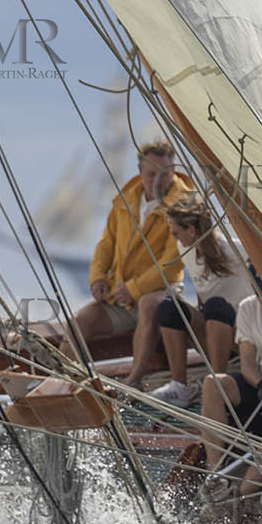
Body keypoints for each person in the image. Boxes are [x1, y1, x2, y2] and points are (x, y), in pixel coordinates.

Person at [69, 140, 189, 387]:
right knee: (81, 320)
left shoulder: (184, 205)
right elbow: (106, 244)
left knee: (147, 304)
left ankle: (135, 379)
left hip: (161, 292)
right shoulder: (125, 200)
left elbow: (173, 262)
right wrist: (98, 278)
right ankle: (65, 382)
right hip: (121, 296)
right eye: (151, 174)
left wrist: (134, 289)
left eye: (165, 174)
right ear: (140, 173)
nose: (159, 180)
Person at [149, 197, 255, 406]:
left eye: (176, 233)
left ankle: (218, 384)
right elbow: (202, 290)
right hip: (213, 331)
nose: (175, 239)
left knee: (216, 306)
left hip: (242, 336)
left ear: (191, 230)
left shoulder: (235, 249)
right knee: (169, 308)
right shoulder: (184, 249)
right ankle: (179, 387)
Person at [197, 293, 262, 500]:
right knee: (213, 383)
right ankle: (216, 475)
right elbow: (247, 364)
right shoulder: (249, 307)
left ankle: (240, 496)